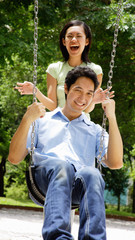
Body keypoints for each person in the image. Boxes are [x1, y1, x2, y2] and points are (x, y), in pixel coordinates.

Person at [8, 66, 123, 240]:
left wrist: (112, 118)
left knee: (92, 173)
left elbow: (116, 163)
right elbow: (14, 158)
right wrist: (27, 119)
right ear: (67, 89)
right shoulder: (42, 121)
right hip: (44, 179)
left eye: (89, 94)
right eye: (78, 90)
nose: (83, 98)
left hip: (76, 185)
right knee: (62, 167)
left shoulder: (94, 130)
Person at [14, 20, 113, 114]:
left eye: (78, 36)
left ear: (87, 41)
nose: (74, 39)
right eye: (69, 36)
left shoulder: (95, 70)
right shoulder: (54, 69)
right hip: (58, 124)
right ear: (64, 41)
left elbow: (87, 110)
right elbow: (53, 106)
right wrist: (36, 91)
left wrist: (94, 101)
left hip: (81, 125)